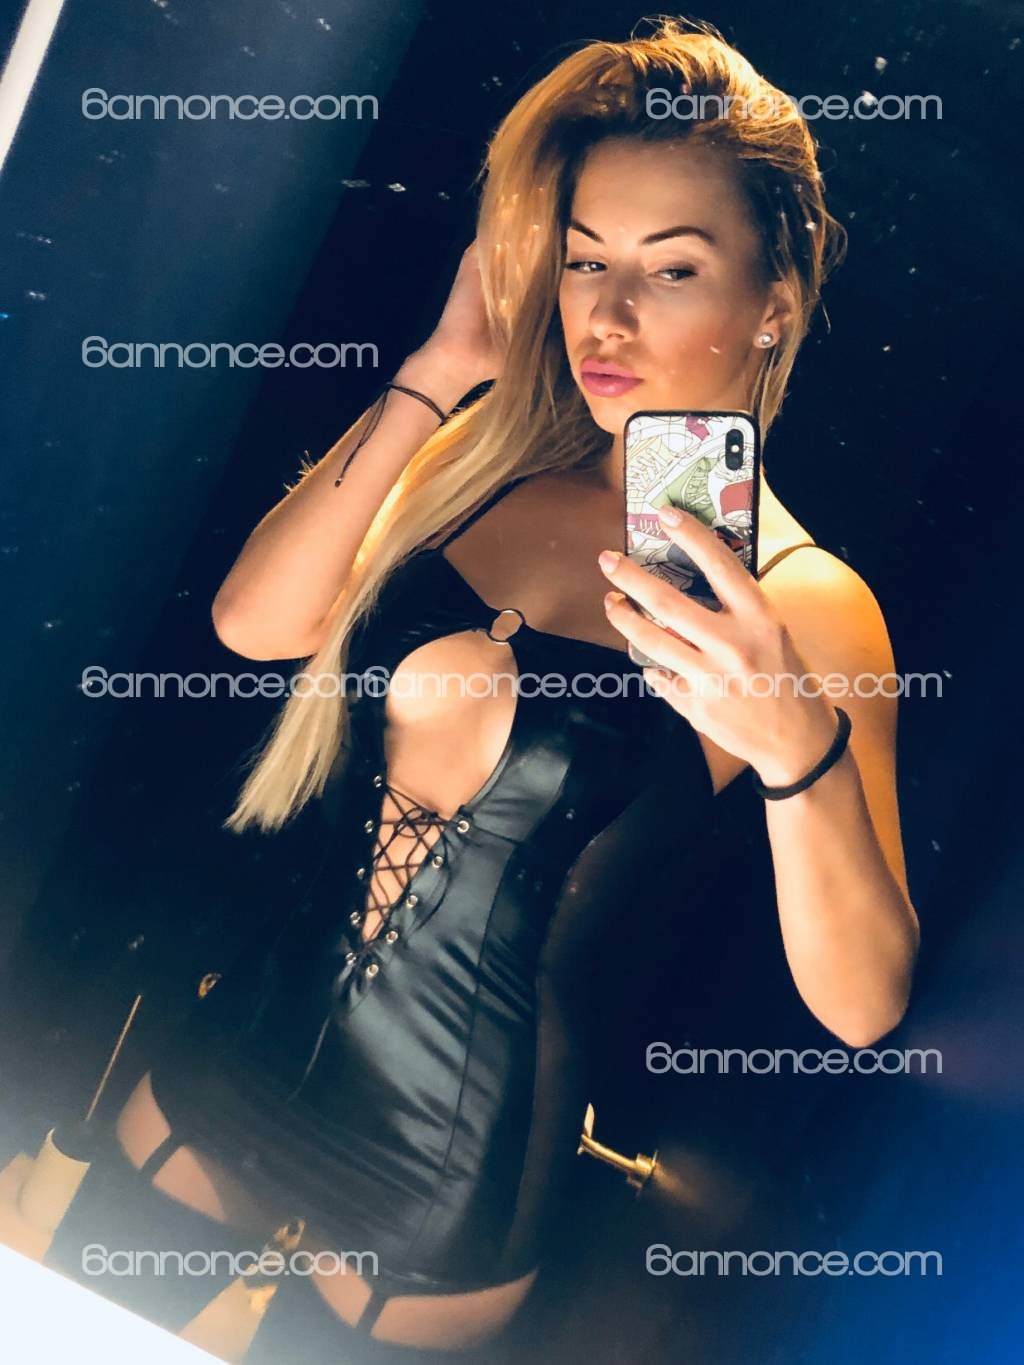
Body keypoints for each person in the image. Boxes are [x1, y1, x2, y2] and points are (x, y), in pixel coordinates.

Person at [44, 17, 920, 1360]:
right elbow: (251, 625)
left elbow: (863, 1006)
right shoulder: (481, 469)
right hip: (231, 1067)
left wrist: (799, 751)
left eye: (673, 268)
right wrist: (440, 374)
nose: (608, 315)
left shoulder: (806, 600)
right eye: (585, 258)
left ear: (774, 306)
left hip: (443, 1181)